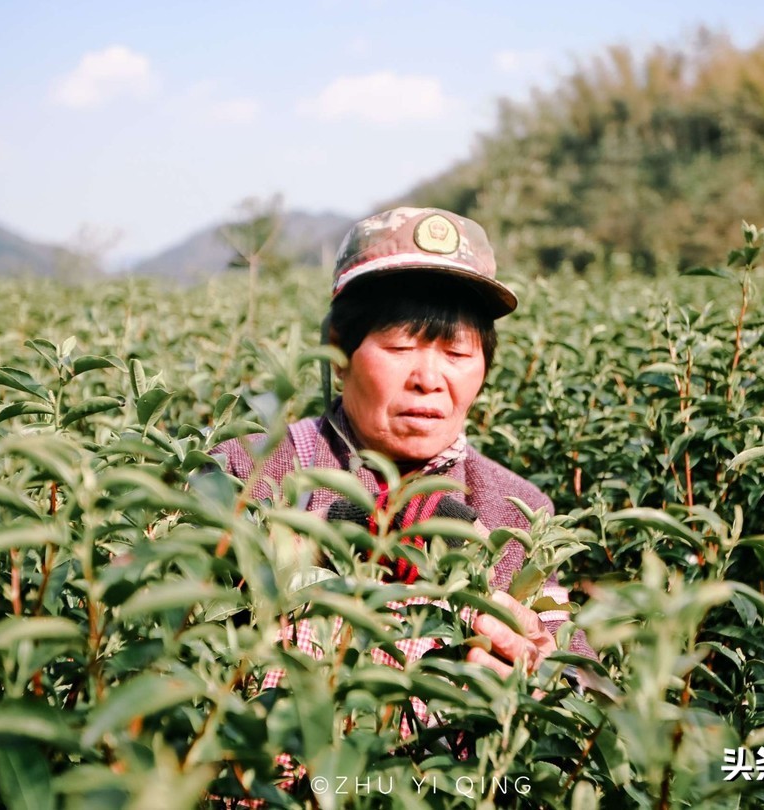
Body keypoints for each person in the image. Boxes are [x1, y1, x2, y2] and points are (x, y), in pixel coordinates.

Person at [212, 205, 591, 684]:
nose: (429, 379)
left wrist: (546, 673)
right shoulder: (249, 472)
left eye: (456, 352)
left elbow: (587, 687)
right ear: (339, 351)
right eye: (400, 347)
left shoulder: (515, 515)